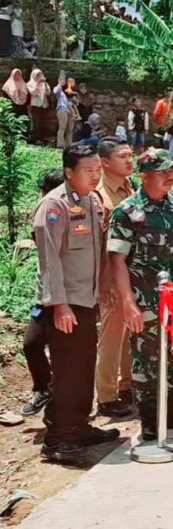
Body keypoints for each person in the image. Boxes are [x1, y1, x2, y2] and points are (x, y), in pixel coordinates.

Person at [31, 143, 120, 464]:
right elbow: (49, 261)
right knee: (67, 372)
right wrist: (60, 305)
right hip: (65, 305)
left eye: (98, 169)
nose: (96, 175)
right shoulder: (53, 206)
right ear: (70, 172)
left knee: (83, 368)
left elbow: (97, 252)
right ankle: (57, 440)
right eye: (88, 170)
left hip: (87, 300)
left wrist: (105, 286)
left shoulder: (92, 200)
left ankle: (79, 426)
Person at [107, 149, 173, 441]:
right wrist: (128, 303)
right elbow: (117, 262)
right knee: (146, 360)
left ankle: (172, 409)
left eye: (170, 171)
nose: (168, 177)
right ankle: (149, 419)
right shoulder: (128, 211)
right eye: (161, 172)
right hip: (146, 298)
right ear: (144, 175)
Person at [20, 169, 72, 417]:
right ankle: (43, 387)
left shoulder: (71, 211)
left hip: (70, 294)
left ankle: (68, 406)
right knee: (31, 343)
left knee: (67, 352)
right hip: (45, 294)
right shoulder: (44, 210)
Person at [93, 138, 137, 418]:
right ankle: (106, 395)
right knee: (110, 337)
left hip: (130, 273)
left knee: (127, 334)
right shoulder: (101, 196)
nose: (130, 160)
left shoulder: (129, 188)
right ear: (105, 163)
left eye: (131, 155)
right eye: (123, 156)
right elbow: (100, 247)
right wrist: (105, 282)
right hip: (111, 276)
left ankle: (126, 385)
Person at [26, 69, 50, 140]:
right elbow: (34, 93)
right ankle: (37, 138)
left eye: (40, 74)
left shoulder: (44, 84)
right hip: (35, 105)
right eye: (37, 75)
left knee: (43, 122)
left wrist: (45, 84)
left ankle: (42, 137)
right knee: (37, 123)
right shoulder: (30, 84)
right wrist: (37, 83)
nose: (39, 76)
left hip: (43, 105)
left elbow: (48, 93)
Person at [53, 73, 73, 148]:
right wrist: (59, 84)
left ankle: (69, 144)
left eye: (64, 79)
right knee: (62, 127)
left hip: (68, 111)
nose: (62, 81)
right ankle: (60, 144)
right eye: (61, 79)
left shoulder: (65, 91)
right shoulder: (57, 88)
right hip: (61, 109)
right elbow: (56, 92)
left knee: (69, 129)